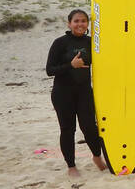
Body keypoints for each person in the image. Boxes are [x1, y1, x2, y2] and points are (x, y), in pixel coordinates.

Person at [46, 9, 107, 177]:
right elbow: (49, 70)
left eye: (83, 21)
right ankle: (71, 166)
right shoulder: (60, 43)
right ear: (69, 23)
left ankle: (97, 157)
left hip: (84, 92)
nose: (80, 24)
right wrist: (70, 66)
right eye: (76, 21)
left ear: (88, 24)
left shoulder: (92, 42)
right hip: (62, 93)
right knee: (68, 129)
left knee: (89, 127)